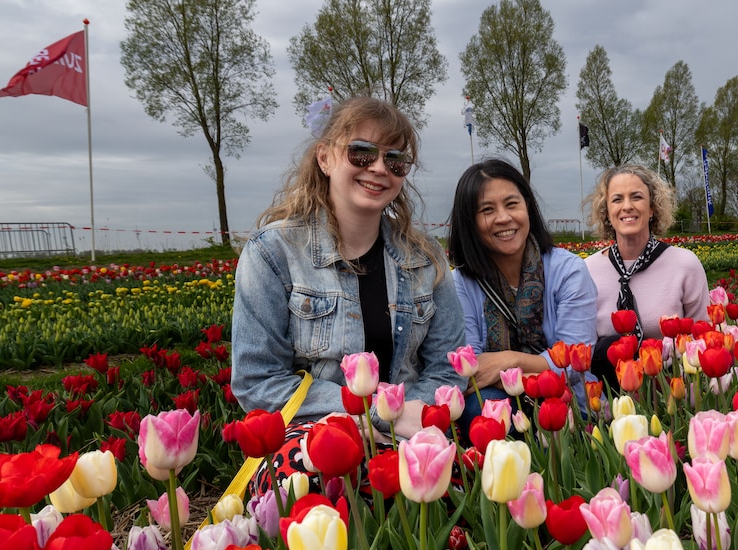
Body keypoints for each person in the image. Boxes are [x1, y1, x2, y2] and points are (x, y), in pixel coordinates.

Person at [232, 96, 466, 489]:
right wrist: (372, 413)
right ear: (324, 158)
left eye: (395, 160)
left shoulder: (425, 258)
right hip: (315, 431)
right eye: (361, 152)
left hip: (410, 426)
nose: (378, 168)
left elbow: (448, 368)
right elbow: (258, 381)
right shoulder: (273, 254)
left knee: (462, 490)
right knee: (311, 488)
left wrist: (407, 415)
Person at [448, 158, 598, 439]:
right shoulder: (462, 282)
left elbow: (576, 360)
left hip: (568, 403)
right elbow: (471, 366)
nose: (504, 217)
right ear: (470, 222)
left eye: (512, 204)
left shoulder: (569, 271)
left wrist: (506, 361)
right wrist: (535, 369)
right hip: (499, 402)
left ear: (528, 206)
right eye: (487, 210)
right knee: (486, 406)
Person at [584, 165, 710, 380]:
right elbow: (582, 347)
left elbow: (703, 337)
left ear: (652, 208)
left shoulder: (684, 264)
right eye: (617, 199)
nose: (627, 206)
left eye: (636, 197)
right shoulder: (588, 269)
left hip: (673, 389)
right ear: (607, 212)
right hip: (607, 394)